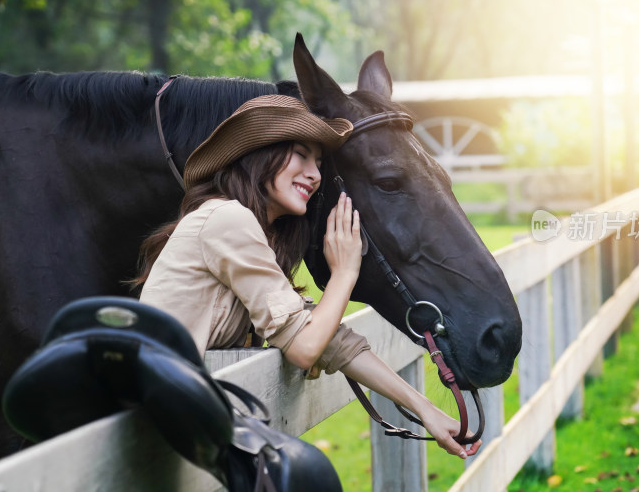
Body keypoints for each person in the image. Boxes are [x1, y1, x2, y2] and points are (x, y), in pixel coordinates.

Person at [132, 94, 481, 459]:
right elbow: (304, 348)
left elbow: (329, 340)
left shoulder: (247, 233)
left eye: (318, 162)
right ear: (259, 153)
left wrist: (427, 411)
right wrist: (344, 273)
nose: (315, 174)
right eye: (301, 154)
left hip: (177, 428)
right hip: (158, 431)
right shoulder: (226, 219)